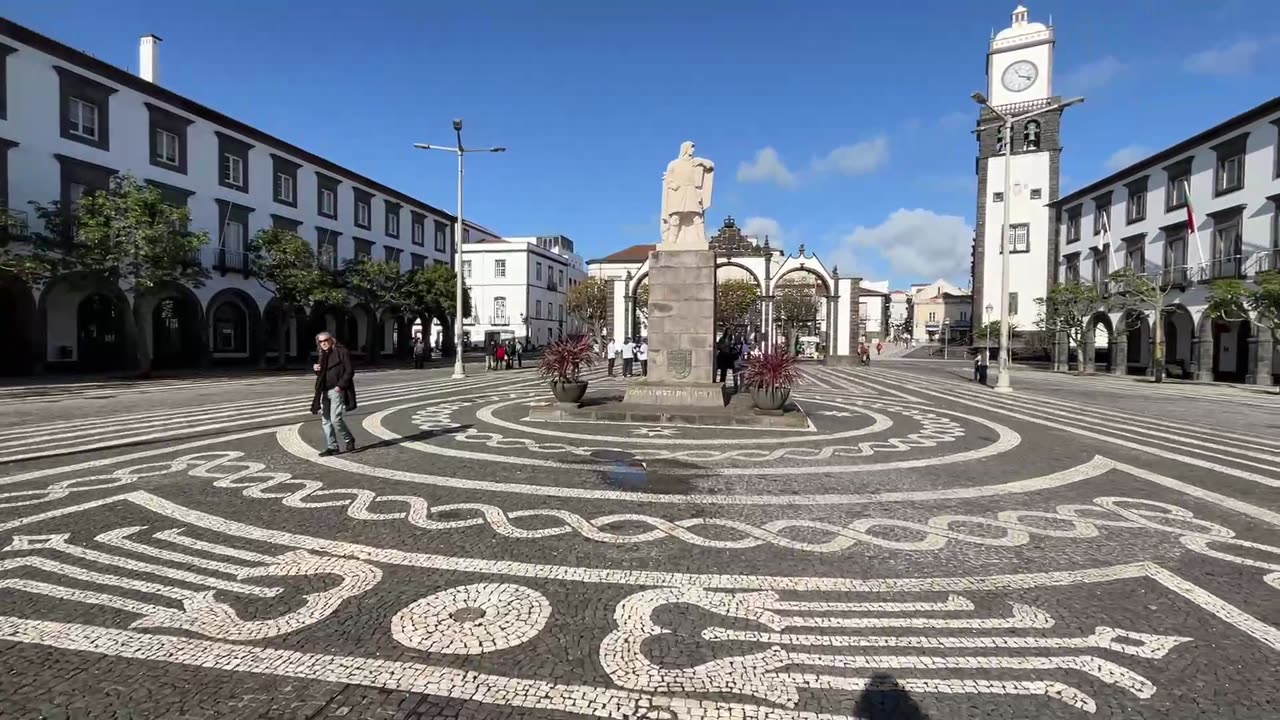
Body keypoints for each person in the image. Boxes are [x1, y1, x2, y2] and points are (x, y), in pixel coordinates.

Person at [310, 332, 356, 456]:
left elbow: (349, 370)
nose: (323, 343)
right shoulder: (322, 354)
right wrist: (316, 369)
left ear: (332, 340)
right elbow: (321, 374)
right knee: (326, 420)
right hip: (323, 390)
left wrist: (340, 386)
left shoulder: (342, 351)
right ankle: (332, 446)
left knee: (336, 419)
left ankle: (348, 438)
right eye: (320, 341)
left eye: (326, 340)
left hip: (336, 390)